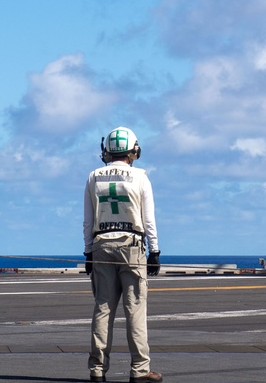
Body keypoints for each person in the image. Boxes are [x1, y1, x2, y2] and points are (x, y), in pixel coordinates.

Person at [83, 126, 162, 383]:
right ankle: (139, 370)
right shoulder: (140, 177)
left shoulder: (94, 176)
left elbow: (87, 220)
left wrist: (87, 252)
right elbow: (148, 220)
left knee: (103, 309)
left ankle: (97, 370)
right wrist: (155, 251)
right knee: (135, 310)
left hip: (101, 245)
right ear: (134, 151)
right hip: (132, 246)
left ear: (107, 150)